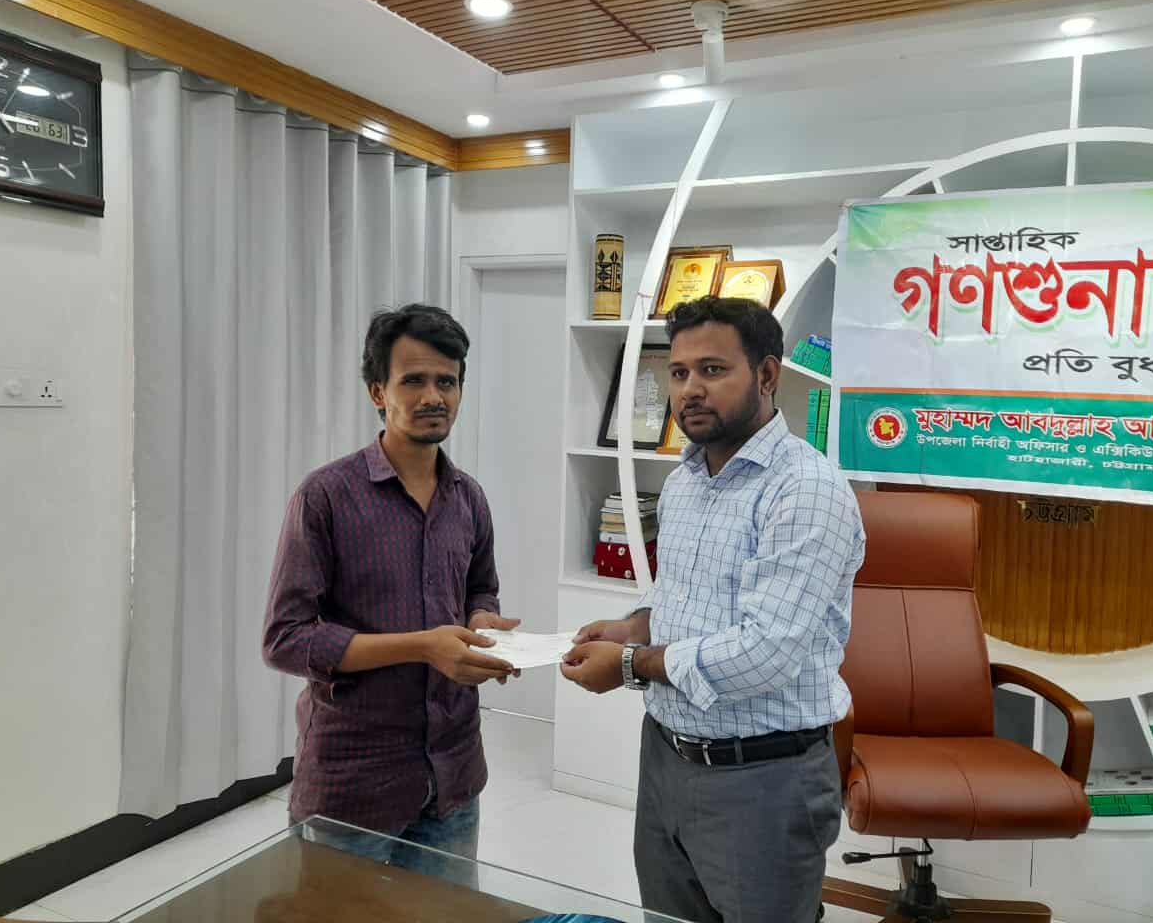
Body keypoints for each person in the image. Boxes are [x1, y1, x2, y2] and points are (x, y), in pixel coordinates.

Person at [561, 296, 865, 923]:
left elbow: (764, 652)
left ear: (767, 375)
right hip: (665, 760)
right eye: (678, 372)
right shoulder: (684, 482)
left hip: (764, 777)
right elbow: (680, 596)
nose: (690, 389)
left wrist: (630, 663)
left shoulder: (805, 489)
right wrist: (633, 625)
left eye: (712, 370)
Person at [263, 303, 519, 871]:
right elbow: (285, 639)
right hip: (355, 783)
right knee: (337, 913)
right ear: (378, 391)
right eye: (414, 381)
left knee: (447, 914)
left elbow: (480, 589)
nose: (434, 397)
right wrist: (422, 647)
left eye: (447, 382)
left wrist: (482, 621)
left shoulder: (469, 497)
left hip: (453, 777)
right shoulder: (325, 497)